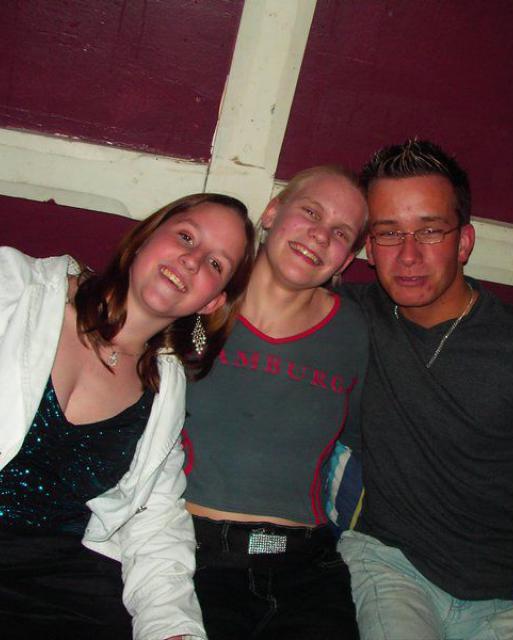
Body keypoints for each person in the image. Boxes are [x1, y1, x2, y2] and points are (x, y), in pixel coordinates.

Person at [336, 139, 513, 640]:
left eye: (430, 231)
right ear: (369, 248)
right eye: (389, 233)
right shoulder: (345, 317)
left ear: (464, 242)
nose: (409, 255)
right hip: (388, 562)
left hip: (511, 588)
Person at [0, 193, 255, 640]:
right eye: (186, 237)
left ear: (212, 303)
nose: (193, 260)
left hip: (59, 582)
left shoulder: (164, 394)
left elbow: (156, 522)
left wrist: (173, 629)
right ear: (145, 238)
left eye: (216, 264)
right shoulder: (15, 288)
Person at [184, 165, 369, 639]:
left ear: (347, 260)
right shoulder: (199, 298)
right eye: (311, 212)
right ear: (271, 213)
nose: (321, 235)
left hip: (305, 569)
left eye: (341, 233)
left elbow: (382, 442)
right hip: (189, 557)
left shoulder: (357, 335)